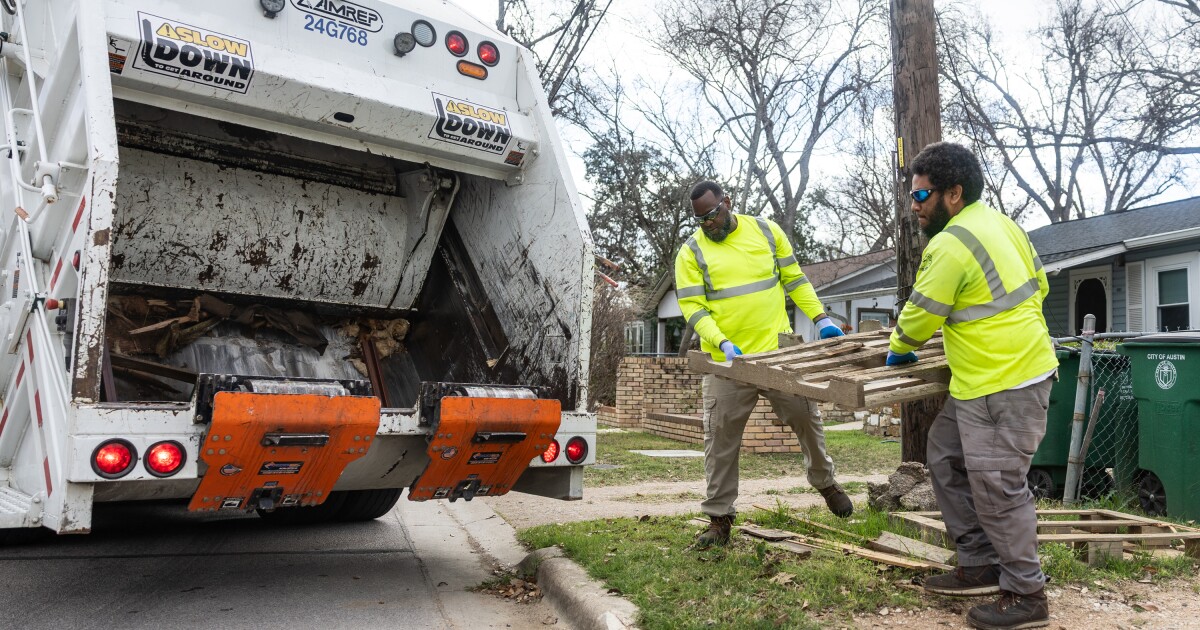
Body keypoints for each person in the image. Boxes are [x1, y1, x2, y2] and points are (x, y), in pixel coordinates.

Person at [886, 142, 1058, 630]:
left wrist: (900, 345)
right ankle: (978, 560)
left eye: (921, 195)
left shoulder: (951, 243)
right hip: (982, 379)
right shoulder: (1005, 225)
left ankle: (1026, 595)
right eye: (911, 194)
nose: (913, 206)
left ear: (954, 194)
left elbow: (919, 316)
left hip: (1006, 381)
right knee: (943, 453)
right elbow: (1039, 288)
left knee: (999, 486)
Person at [675, 180, 853, 549]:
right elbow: (693, 308)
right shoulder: (691, 253)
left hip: (777, 353)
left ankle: (825, 483)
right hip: (726, 362)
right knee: (720, 436)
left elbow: (795, 280)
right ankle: (719, 519)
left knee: (807, 417)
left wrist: (820, 318)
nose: (708, 224)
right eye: (700, 220)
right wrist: (721, 341)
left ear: (728, 202)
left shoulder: (767, 232)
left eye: (713, 215)